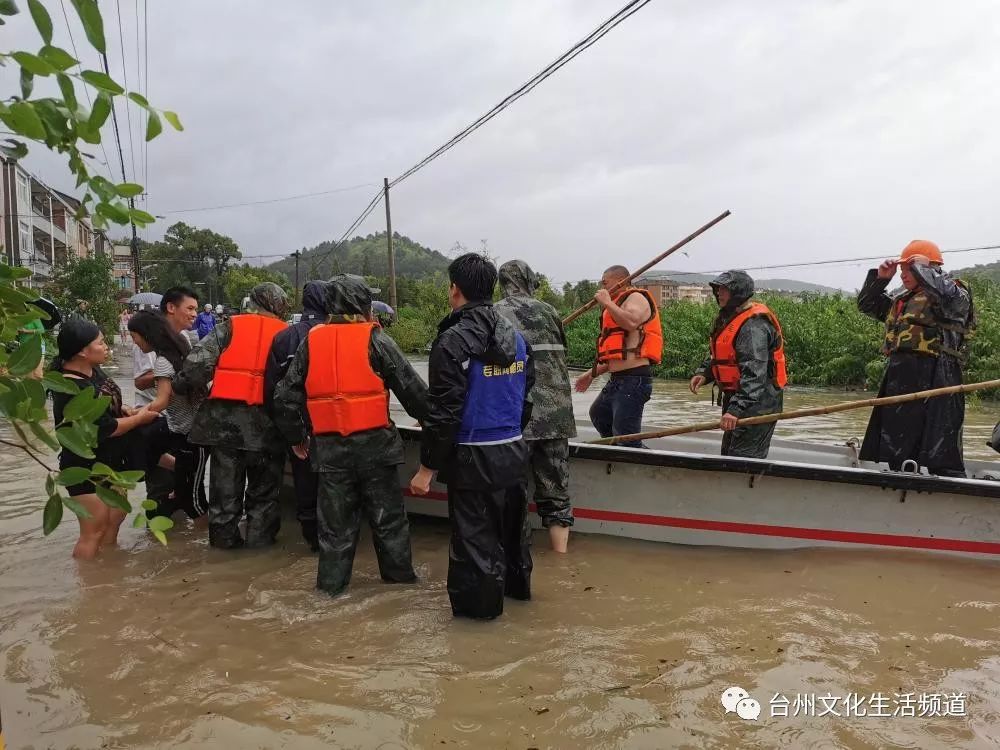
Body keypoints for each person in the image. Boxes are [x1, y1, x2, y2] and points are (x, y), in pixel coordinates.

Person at [273, 275, 429, 595]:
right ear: (364, 305)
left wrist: (296, 438)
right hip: (377, 453)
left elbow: (283, 398)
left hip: (330, 456)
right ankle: (400, 590)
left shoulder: (310, 342)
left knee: (334, 531)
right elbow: (415, 394)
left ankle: (330, 592)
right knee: (389, 526)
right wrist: (434, 425)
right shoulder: (378, 340)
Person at [409, 253, 535, 620]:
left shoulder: (451, 342)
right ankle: (519, 604)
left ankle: (478, 637)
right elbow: (528, 397)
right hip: (512, 450)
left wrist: (427, 468)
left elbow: (445, 411)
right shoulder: (516, 337)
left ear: (455, 290)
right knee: (513, 539)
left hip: (472, 456)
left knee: (475, 547)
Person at [174, 283, 291, 548]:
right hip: (269, 428)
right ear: (280, 306)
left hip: (224, 427)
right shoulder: (289, 334)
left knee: (224, 498)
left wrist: (181, 385)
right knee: (264, 499)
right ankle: (259, 555)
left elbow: (196, 367)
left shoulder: (229, 327)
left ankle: (222, 556)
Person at [857, 240, 975, 476]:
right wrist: (881, 279)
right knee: (896, 439)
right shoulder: (903, 299)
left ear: (931, 267)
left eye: (909, 269)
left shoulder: (953, 293)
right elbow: (867, 305)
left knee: (939, 442)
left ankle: (947, 483)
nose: (903, 275)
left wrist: (924, 270)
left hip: (939, 374)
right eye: (901, 270)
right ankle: (900, 476)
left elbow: (949, 294)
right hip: (902, 374)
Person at [47, 319, 159, 558]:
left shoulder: (93, 370)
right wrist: (139, 420)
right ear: (82, 351)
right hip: (83, 466)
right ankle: (87, 587)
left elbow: (108, 405)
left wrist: (125, 409)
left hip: (111, 462)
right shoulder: (70, 387)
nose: (107, 346)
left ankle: (107, 575)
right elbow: (106, 429)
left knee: (115, 517)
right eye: (100, 342)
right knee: (93, 531)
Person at [495, 260, 576, 552]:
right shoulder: (550, 311)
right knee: (556, 492)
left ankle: (517, 559)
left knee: (512, 492)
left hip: (517, 417)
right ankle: (560, 557)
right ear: (530, 281)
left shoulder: (494, 314)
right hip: (557, 416)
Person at [689, 270, 787, 458]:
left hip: (758, 403)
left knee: (742, 458)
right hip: (739, 398)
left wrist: (736, 409)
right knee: (729, 454)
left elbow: (754, 373)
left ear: (738, 292)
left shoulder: (753, 326)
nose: (719, 293)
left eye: (724, 289)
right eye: (718, 289)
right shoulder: (730, 318)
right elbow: (723, 355)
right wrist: (705, 373)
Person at [264, 280, 329, 551]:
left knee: (305, 483)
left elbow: (272, 392)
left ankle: (312, 541)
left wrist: (292, 435)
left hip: (298, 427)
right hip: (335, 427)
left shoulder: (284, 338)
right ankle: (336, 540)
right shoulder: (338, 334)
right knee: (336, 485)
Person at [129, 311, 208, 520]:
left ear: (146, 334)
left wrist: (134, 415)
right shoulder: (181, 351)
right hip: (182, 433)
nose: (135, 344)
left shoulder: (163, 362)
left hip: (192, 436)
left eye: (135, 338)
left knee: (194, 501)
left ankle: (210, 541)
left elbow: (162, 401)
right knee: (184, 494)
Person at [573, 266, 662, 448]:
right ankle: (619, 451)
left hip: (634, 379)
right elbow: (616, 356)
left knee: (625, 434)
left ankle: (635, 459)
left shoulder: (635, 297)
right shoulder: (616, 305)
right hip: (617, 379)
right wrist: (590, 374)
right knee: (599, 414)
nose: (602, 287)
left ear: (620, 280)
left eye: (605, 282)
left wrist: (607, 303)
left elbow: (631, 322)